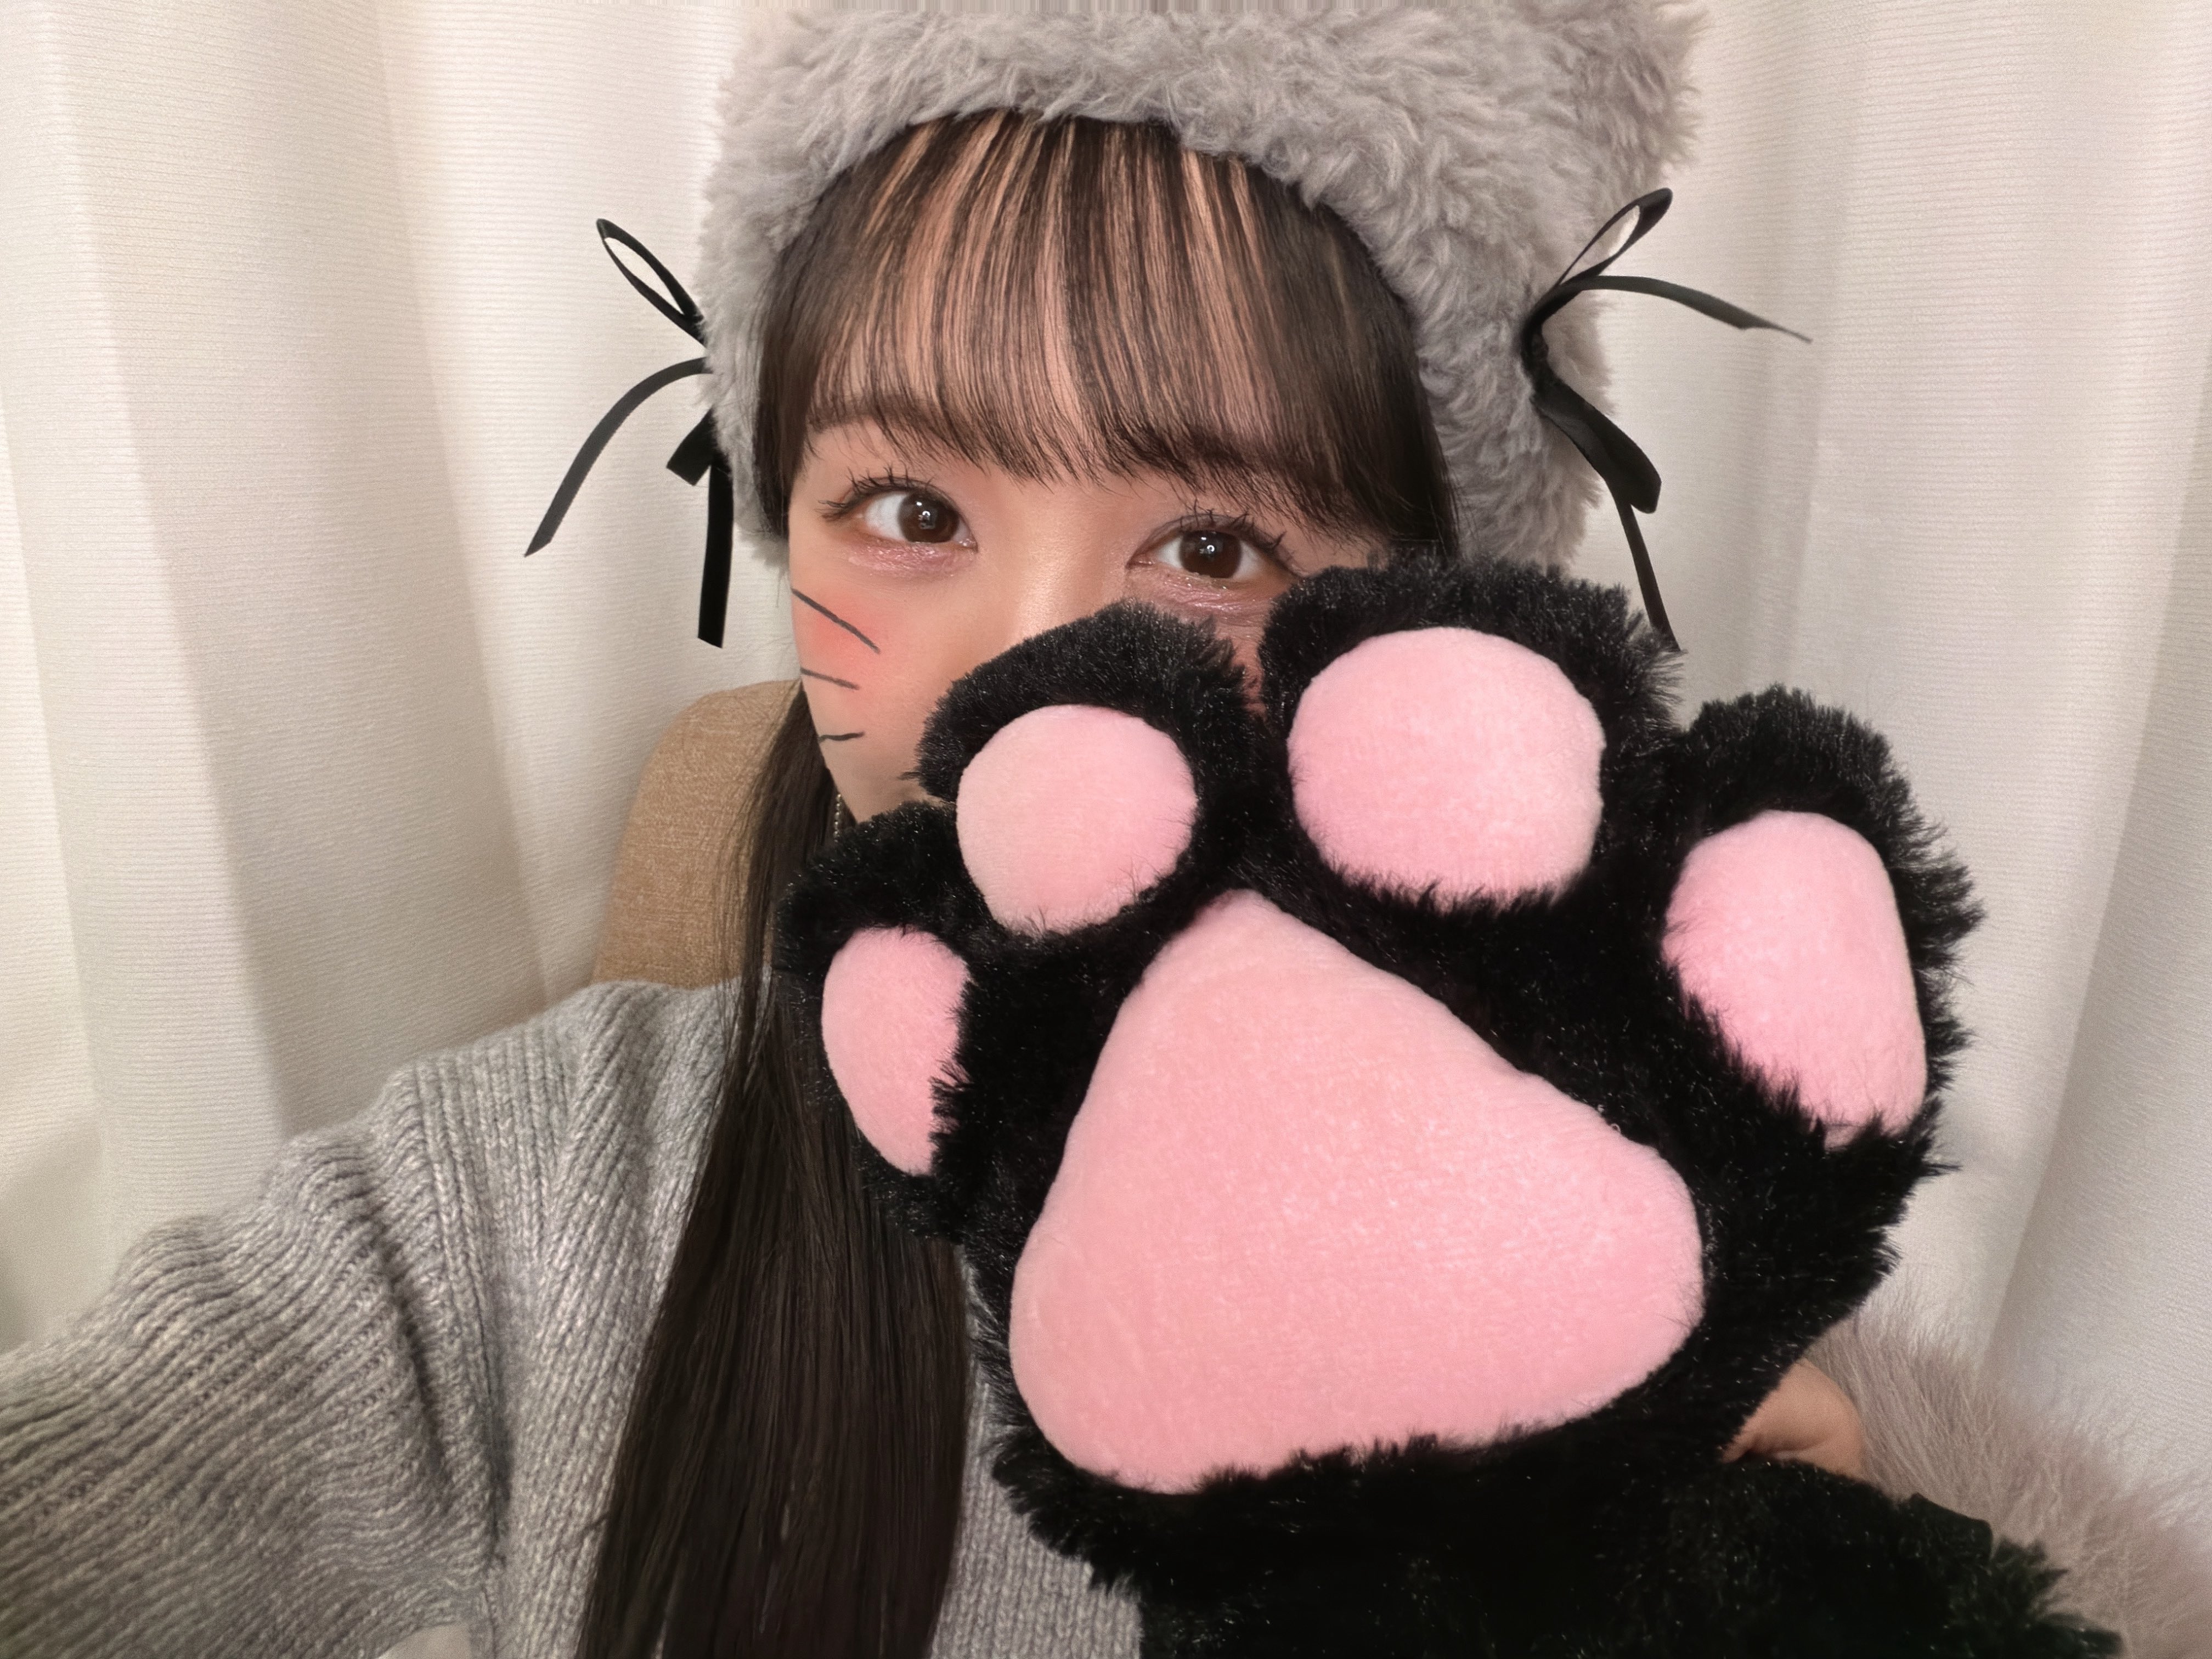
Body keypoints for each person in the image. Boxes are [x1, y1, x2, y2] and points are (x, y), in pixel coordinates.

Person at [0, 9, 1867, 1659]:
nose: (1028, 680)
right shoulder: (530, 1194)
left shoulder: (1610, 1223)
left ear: (1418, 631)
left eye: (1212, 547)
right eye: (910, 509)